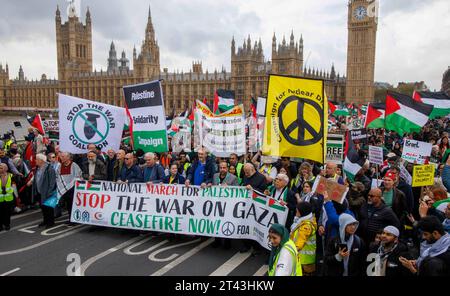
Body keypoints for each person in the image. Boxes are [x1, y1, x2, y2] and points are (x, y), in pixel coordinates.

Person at [290, 202, 317, 275]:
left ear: (302, 212)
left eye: (297, 210)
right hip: (304, 260)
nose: (296, 212)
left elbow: (299, 244)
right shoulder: (304, 221)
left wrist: (288, 252)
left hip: (303, 261)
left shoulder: (305, 227)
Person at [56, 152, 82, 225]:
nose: (61, 158)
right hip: (64, 189)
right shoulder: (60, 166)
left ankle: (75, 220)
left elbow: (78, 176)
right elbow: (57, 176)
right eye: (61, 157)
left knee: (74, 205)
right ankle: (71, 218)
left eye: (63, 156)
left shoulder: (74, 165)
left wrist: (71, 184)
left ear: (68, 157)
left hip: (73, 189)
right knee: (68, 205)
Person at [32, 154, 56, 229]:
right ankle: (45, 221)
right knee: (43, 207)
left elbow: (52, 181)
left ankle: (50, 222)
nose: (35, 160)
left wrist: (50, 191)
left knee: (48, 207)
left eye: (36, 159)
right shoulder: (37, 168)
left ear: (41, 160)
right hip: (40, 191)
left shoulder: (49, 168)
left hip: (47, 192)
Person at [0, 163, 15, 231]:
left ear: (6, 169)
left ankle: (7, 225)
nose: (0, 169)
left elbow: (14, 187)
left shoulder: (11, 176)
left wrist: (17, 197)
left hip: (8, 198)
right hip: (0, 199)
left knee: (7, 213)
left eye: (1, 168)